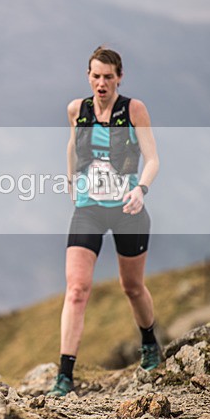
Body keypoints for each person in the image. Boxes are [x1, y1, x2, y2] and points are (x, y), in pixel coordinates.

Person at [49, 46, 161, 397]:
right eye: (96, 76)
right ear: (88, 76)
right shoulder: (76, 109)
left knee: (132, 286)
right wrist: (70, 180)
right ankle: (64, 376)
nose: (101, 83)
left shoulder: (133, 109)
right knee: (77, 289)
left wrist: (141, 189)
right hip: (89, 209)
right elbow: (72, 145)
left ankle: (149, 343)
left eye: (108, 77)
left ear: (119, 78)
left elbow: (153, 159)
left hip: (128, 208)